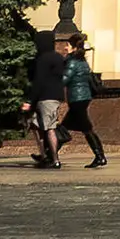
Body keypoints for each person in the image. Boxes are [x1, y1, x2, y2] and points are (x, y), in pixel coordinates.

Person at [52, 28, 108, 170]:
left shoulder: (72, 62)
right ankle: (49, 154)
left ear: (74, 47)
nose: (65, 47)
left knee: (86, 128)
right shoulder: (82, 62)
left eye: (68, 45)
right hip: (83, 98)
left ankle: (100, 156)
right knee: (65, 127)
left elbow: (64, 80)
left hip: (77, 99)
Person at [22, 28, 70, 169]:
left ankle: (54, 159)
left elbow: (39, 81)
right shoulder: (58, 58)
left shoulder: (42, 59)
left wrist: (30, 100)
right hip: (55, 96)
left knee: (49, 128)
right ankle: (44, 156)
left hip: (45, 97)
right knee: (37, 125)